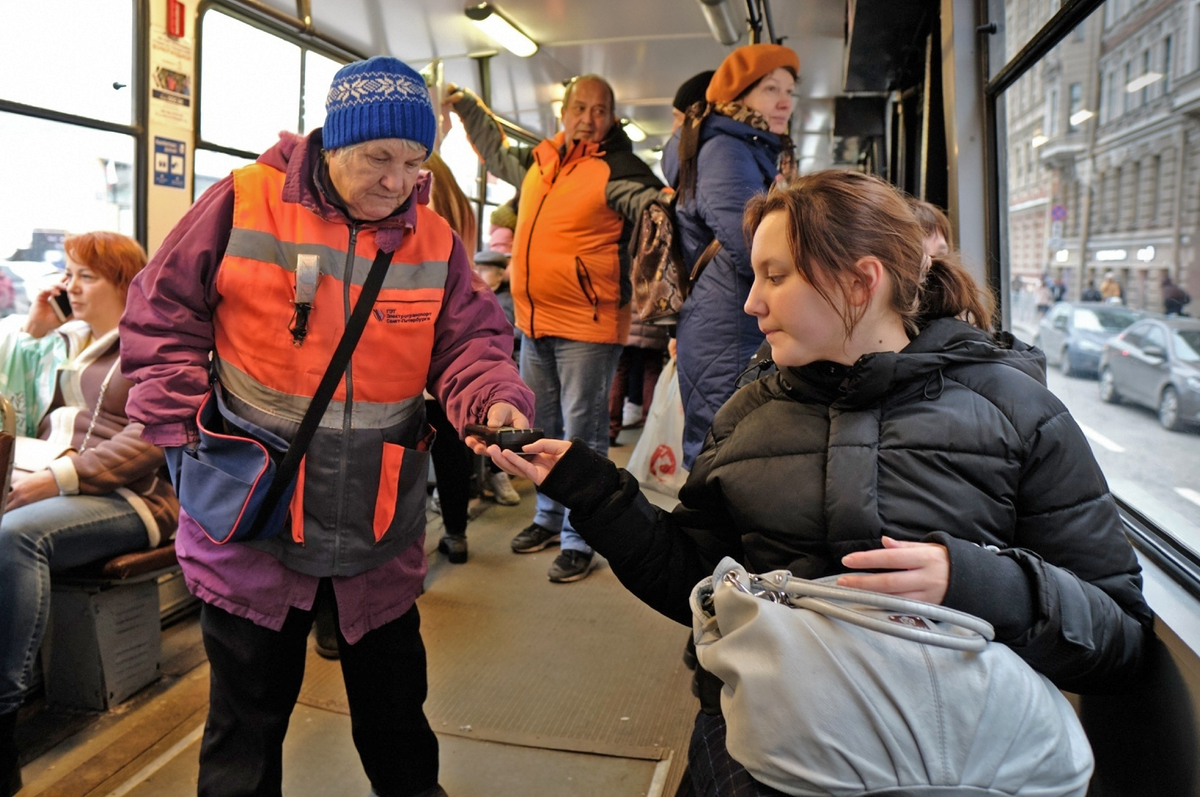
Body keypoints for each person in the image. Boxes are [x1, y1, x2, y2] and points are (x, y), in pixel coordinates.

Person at [473, 170, 1152, 795]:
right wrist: (593, 489)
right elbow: (698, 581)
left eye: (775, 276)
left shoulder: (1017, 413)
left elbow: (1120, 637)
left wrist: (975, 580)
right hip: (775, 746)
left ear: (861, 282)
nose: (749, 301)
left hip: (950, 759)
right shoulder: (751, 412)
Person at [119, 56, 534, 797]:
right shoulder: (242, 203)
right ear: (332, 142)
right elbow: (160, 313)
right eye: (379, 157)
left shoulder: (434, 241)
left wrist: (492, 398)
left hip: (376, 526)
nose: (397, 180)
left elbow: (471, 343)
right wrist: (183, 432)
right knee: (244, 736)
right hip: (252, 520)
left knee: (399, 727)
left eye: (415, 162)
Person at [445, 73, 664, 582]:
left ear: (612, 118)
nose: (590, 117)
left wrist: (665, 206)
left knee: (583, 432)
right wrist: (467, 107)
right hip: (534, 319)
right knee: (537, 428)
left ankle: (580, 535)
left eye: (601, 110)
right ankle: (546, 517)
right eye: (581, 107)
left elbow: (649, 206)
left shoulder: (619, 169)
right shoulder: (540, 162)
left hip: (588, 324)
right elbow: (497, 154)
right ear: (563, 111)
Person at [1, 232, 178, 797]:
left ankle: (3, 718)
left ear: (126, 283)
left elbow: (150, 437)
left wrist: (57, 478)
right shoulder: (74, 341)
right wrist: (34, 325)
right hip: (63, 480)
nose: (71, 287)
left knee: (14, 536)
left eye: (87, 277)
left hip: (133, 497)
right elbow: (21, 395)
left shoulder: (153, 343)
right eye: (69, 275)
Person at [663, 43, 800, 471]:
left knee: (730, 439)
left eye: (790, 91)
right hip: (727, 321)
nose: (784, 102)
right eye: (770, 89)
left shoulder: (747, 146)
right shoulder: (726, 149)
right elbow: (751, 244)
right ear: (737, 98)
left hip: (730, 312)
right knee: (724, 444)